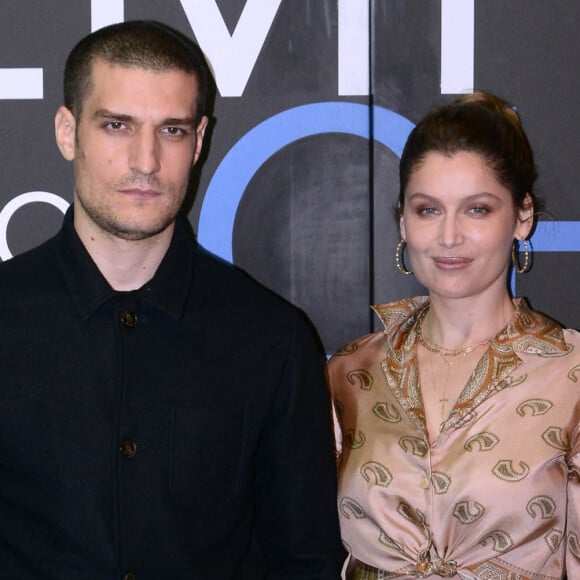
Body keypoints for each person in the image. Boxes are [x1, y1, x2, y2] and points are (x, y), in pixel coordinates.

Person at [0, 20, 345, 579]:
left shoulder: (272, 339)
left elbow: (302, 559)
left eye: (173, 131)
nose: (146, 161)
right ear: (68, 133)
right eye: (117, 125)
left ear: (200, 140)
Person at [328, 92, 580, 578]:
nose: (448, 237)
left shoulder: (570, 374)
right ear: (403, 219)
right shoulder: (350, 372)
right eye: (428, 210)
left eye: (477, 209)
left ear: (521, 216)